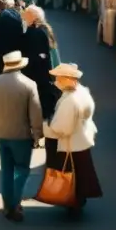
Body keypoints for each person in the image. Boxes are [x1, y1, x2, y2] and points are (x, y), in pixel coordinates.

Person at [0, 51, 43, 222]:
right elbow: (36, 113)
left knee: (6, 170)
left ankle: (7, 203)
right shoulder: (29, 84)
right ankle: (14, 204)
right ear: (21, 65)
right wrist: (38, 134)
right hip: (21, 135)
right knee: (22, 169)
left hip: (0, 134)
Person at [42, 63, 103, 214]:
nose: (56, 80)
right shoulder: (83, 92)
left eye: (58, 78)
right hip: (81, 139)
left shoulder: (69, 101)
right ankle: (78, 201)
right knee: (82, 173)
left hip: (70, 143)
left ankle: (72, 202)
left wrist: (45, 127)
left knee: (70, 174)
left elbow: (62, 128)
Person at [21, 4, 61, 121]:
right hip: (48, 71)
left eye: (26, 16)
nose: (24, 18)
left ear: (33, 17)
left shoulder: (36, 33)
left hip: (40, 73)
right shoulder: (45, 29)